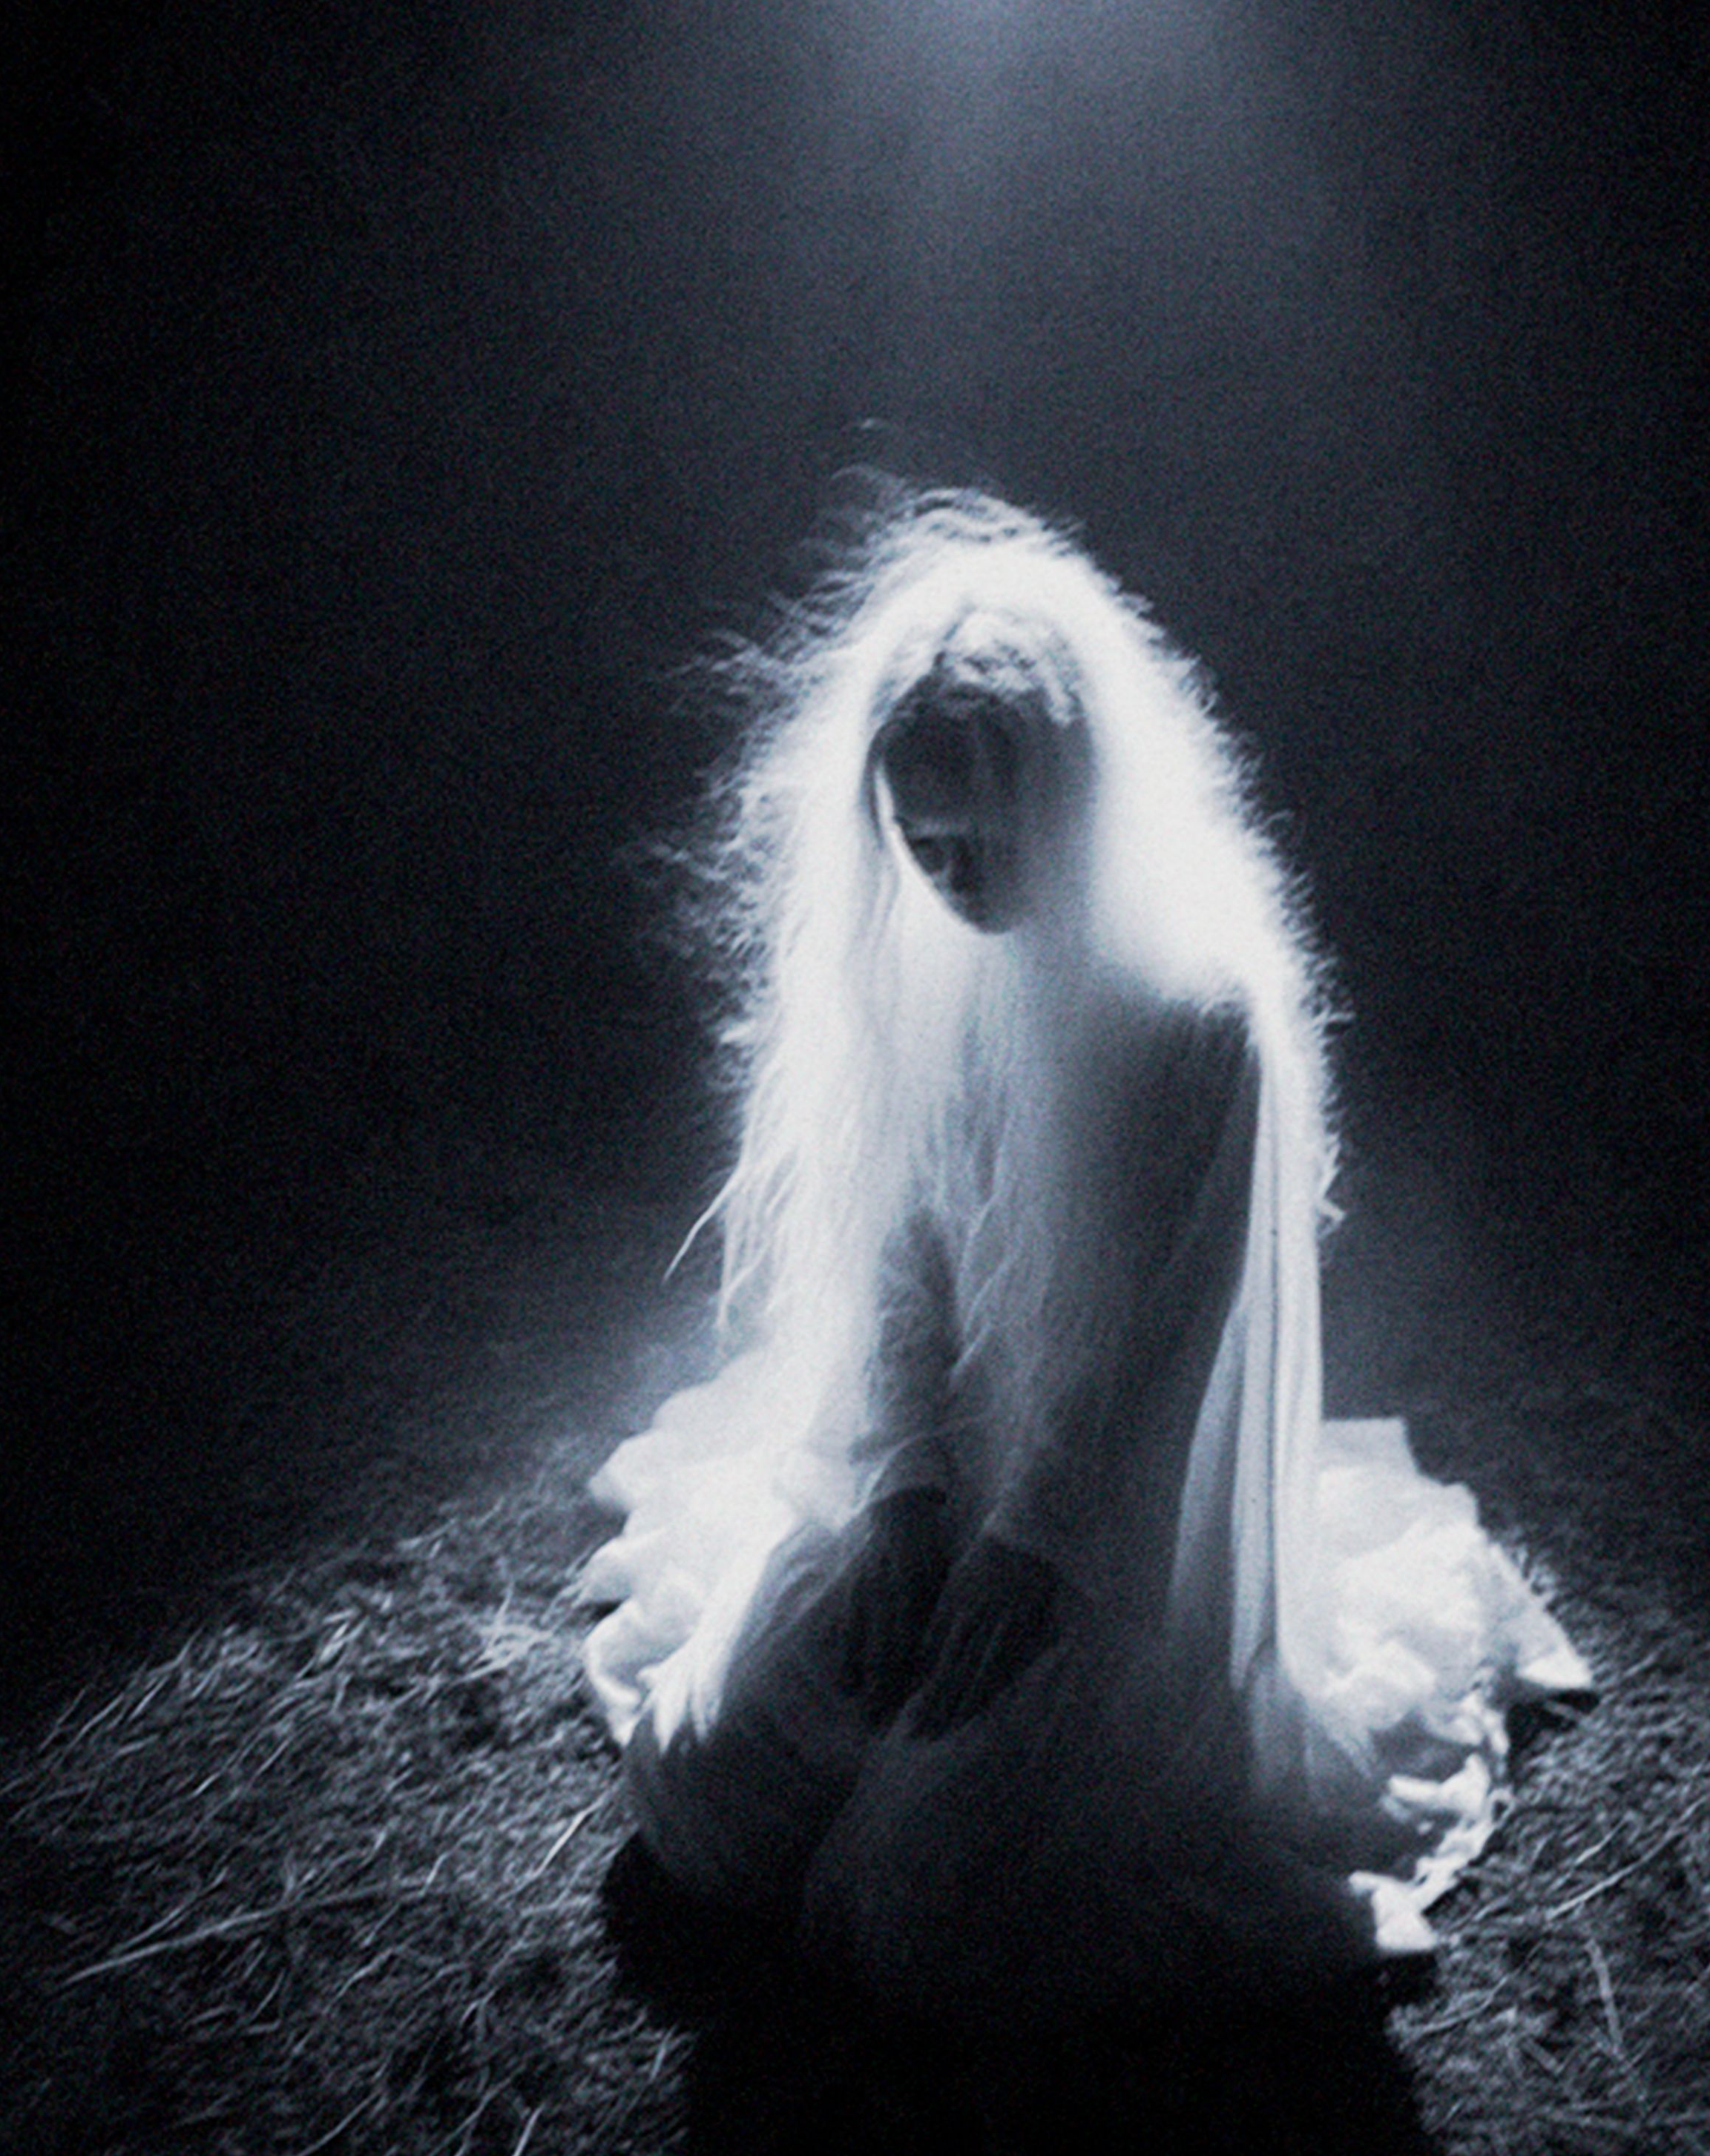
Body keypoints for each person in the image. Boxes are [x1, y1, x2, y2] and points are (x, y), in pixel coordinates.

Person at [579, 491, 1588, 2026]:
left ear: (1071, 802)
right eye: (921, 846)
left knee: (919, 1901)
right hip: (942, 1487)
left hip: (1112, 1530)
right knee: (713, 1785)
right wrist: (908, 1494)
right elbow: (905, 1267)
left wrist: (1028, 1550)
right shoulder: (938, 979)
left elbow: (1152, 1359)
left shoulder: (1196, 1023)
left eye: (985, 843)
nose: (955, 882)